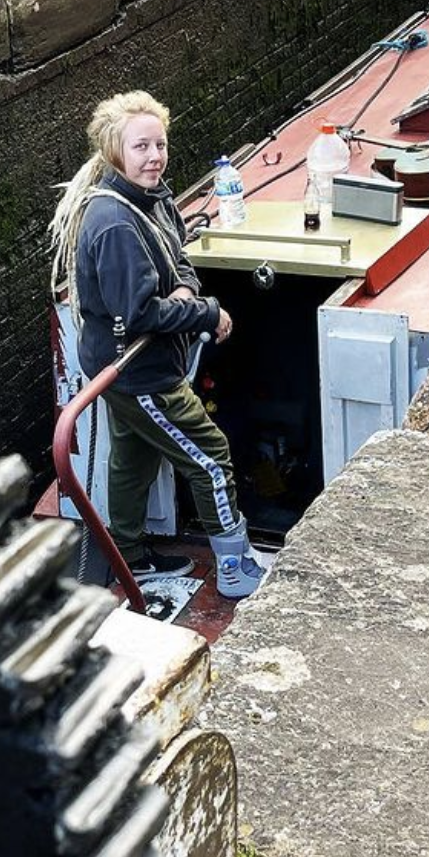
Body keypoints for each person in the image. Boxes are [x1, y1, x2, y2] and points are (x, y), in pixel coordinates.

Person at [48, 90, 266, 600]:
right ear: (114, 152)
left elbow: (179, 254)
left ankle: (129, 556)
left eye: (160, 145)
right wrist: (207, 312)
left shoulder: (154, 197)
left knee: (134, 459)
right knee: (210, 458)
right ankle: (234, 567)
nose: (154, 157)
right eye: (141, 147)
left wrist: (186, 289)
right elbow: (141, 314)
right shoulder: (115, 224)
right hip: (137, 370)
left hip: (130, 365)